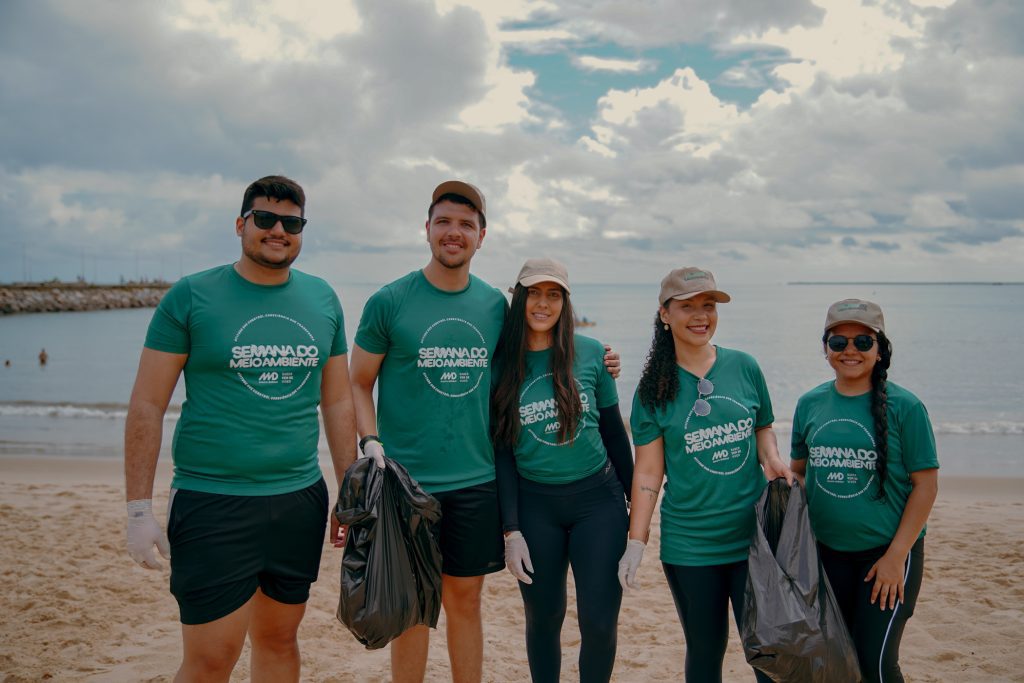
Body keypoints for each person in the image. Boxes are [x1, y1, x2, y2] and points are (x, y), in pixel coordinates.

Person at [349, 181, 619, 683]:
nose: (455, 233)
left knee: (464, 601)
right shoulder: (389, 301)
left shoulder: (498, 308)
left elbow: (542, 352)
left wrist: (599, 360)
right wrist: (369, 446)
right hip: (407, 480)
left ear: (482, 236)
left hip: (477, 479)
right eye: (445, 222)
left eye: (466, 226)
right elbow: (358, 383)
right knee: (411, 609)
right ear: (427, 229)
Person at [124, 175, 357, 682]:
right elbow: (146, 403)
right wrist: (138, 508)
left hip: (299, 500)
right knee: (211, 659)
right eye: (265, 219)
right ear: (241, 224)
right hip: (212, 501)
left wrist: (350, 489)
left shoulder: (322, 298)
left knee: (278, 641)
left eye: (291, 222)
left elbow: (337, 401)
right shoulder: (191, 296)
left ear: (302, 230)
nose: (278, 230)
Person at [617, 267, 790, 683]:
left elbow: (762, 426)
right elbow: (648, 471)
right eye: (688, 306)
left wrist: (772, 459)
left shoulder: (744, 367)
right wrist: (635, 541)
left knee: (768, 650)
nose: (701, 315)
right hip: (691, 545)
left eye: (708, 305)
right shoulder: (654, 389)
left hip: (754, 540)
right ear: (665, 314)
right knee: (706, 650)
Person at [491, 258, 632, 683]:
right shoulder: (500, 366)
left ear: (565, 302)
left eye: (554, 294)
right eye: (533, 292)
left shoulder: (591, 354)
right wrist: (511, 529)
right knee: (544, 617)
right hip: (536, 508)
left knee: (600, 622)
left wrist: (639, 515)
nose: (543, 303)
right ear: (517, 298)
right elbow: (503, 454)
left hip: (599, 503)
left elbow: (614, 434)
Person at [790, 299, 939, 683]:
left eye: (862, 341)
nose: (850, 351)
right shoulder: (809, 404)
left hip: (886, 557)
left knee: (874, 664)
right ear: (825, 349)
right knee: (836, 660)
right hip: (826, 556)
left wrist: (895, 556)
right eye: (838, 342)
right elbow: (800, 474)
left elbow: (926, 486)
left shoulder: (906, 407)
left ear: (880, 349)